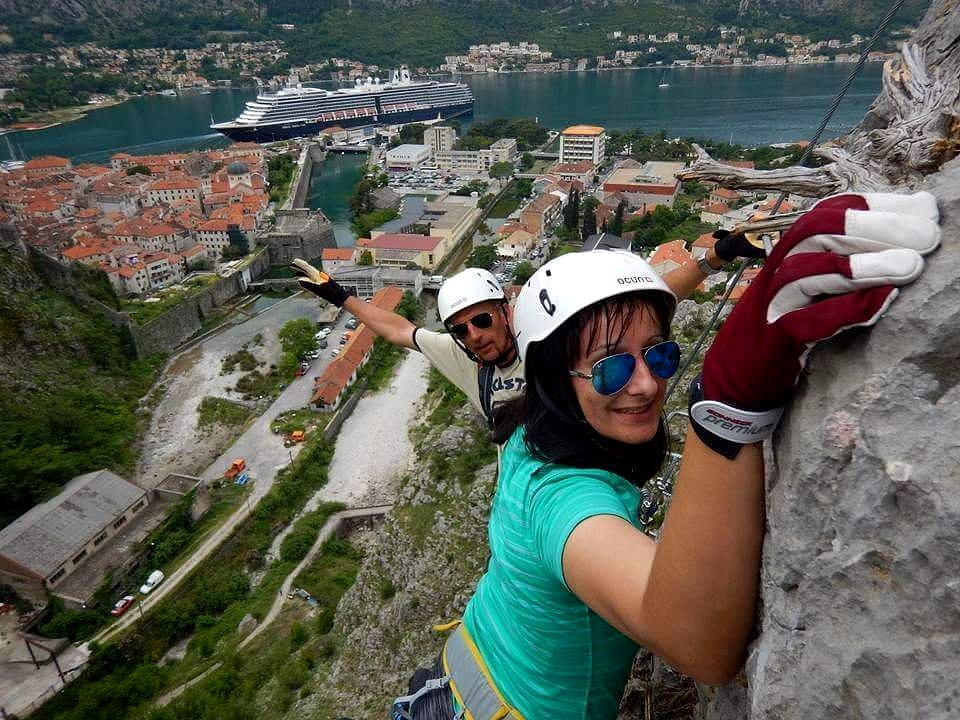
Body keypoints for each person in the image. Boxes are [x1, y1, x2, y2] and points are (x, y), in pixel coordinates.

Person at [389, 191, 939, 720]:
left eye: (660, 353)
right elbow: (698, 646)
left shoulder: (527, 433)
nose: (648, 385)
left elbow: (645, 308)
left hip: (456, 677)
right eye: (612, 368)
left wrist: (715, 258)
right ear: (557, 380)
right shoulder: (561, 496)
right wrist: (727, 408)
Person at [291, 235, 743, 431]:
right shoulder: (463, 359)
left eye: (482, 320)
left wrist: (714, 259)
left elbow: (634, 310)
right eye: (461, 329)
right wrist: (338, 295)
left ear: (506, 312)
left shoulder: (545, 337)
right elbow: (399, 331)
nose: (474, 336)